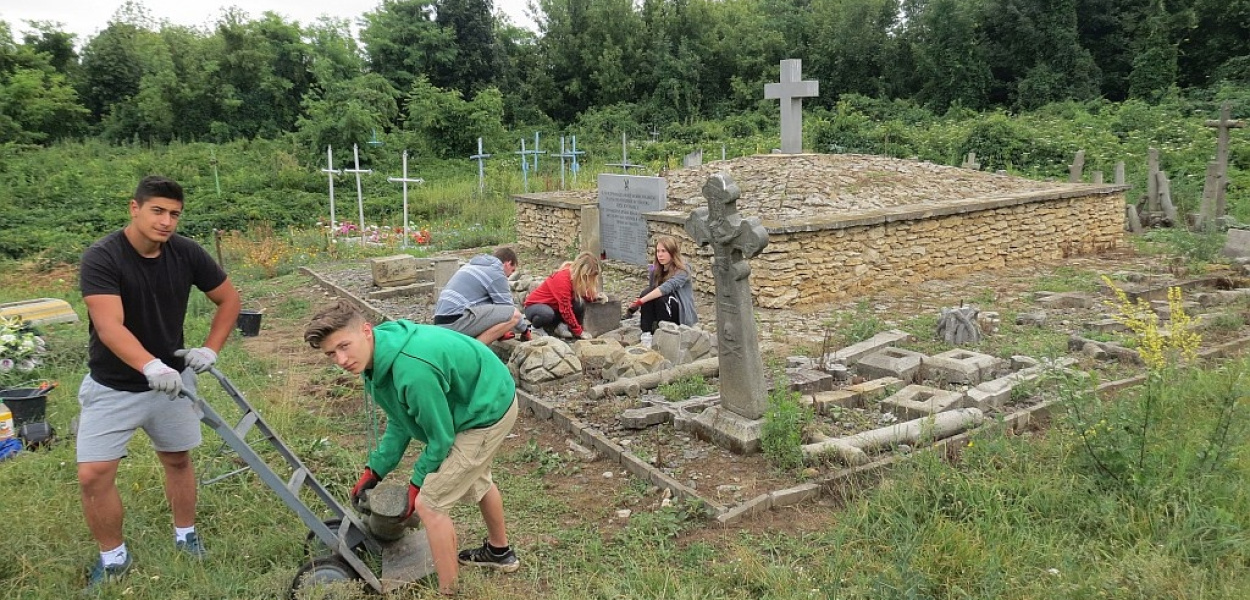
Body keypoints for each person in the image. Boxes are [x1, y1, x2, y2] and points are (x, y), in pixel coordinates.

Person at [77, 175, 241, 591]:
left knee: (177, 459)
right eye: (158, 211)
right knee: (94, 474)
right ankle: (113, 558)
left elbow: (229, 299)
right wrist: (149, 365)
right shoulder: (103, 257)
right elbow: (109, 326)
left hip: (173, 383)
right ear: (134, 208)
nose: (166, 221)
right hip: (113, 385)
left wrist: (210, 350)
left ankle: (186, 535)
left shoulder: (186, 252)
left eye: (174, 214)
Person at [304, 300, 519, 596]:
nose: (341, 360)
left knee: (429, 505)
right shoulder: (375, 358)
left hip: (488, 409)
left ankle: (449, 592)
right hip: (475, 396)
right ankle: (499, 552)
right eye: (331, 353)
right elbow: (400, 419)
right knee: (475, 477)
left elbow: (440, 439)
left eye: (344, 346)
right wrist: (376, 469)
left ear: (366, 331)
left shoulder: (412, 369)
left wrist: (417, 485)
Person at [432, 247, 530, 344]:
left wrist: (500, 332)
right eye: (512, 270)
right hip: (454, 321)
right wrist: (525, 331)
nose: (510, 275)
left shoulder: (473, 265)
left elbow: (488, 309)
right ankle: (473, 351)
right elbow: (507, 308)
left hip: (441, 321)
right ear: (508, 263)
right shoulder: (496, 272)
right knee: (514, 315)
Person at [625, 236, 697, 347]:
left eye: (664, 251)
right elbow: (651, 291)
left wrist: (640, 302)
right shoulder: (654, 269)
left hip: (678, 312)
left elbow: (666, 288)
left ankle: (665, 335)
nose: (660, 255)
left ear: (672, 252)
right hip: (661, 308)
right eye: (658, 251)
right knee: (647, 292)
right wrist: (642, 301)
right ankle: (647, 334)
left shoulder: (684, 269)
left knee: (659, 297)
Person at [522, 252, 603, 339]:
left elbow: (582, 294)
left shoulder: (574, 277)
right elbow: (565, 308)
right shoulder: (563, 279)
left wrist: (594, 297)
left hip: (554, 307)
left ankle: (560, 326)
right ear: (582, 272)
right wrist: (579, 332)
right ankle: (535, 328)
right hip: (533, 307)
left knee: (579, 303)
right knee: (547, 313)